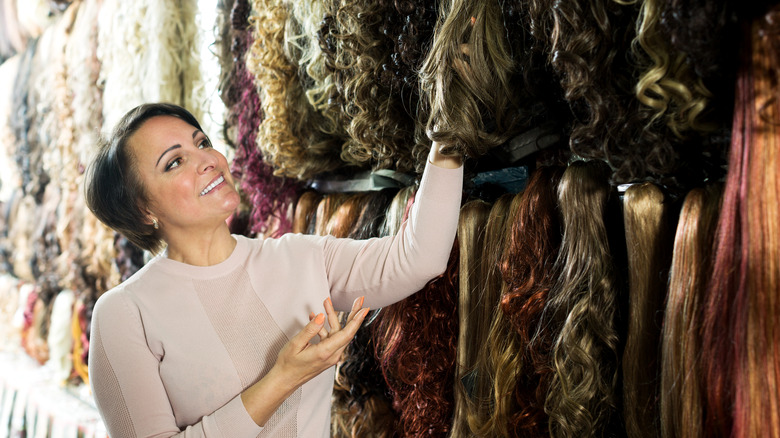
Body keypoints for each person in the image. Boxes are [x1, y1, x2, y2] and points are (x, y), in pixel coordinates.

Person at [84, 102, 463, 437]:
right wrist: (283, 377)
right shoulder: (124, 313)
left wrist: (451, 120)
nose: (208, 159)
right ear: (143, 210)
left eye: (201, 143)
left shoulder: (299, 257)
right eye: (174, 162)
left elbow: (418, 257)